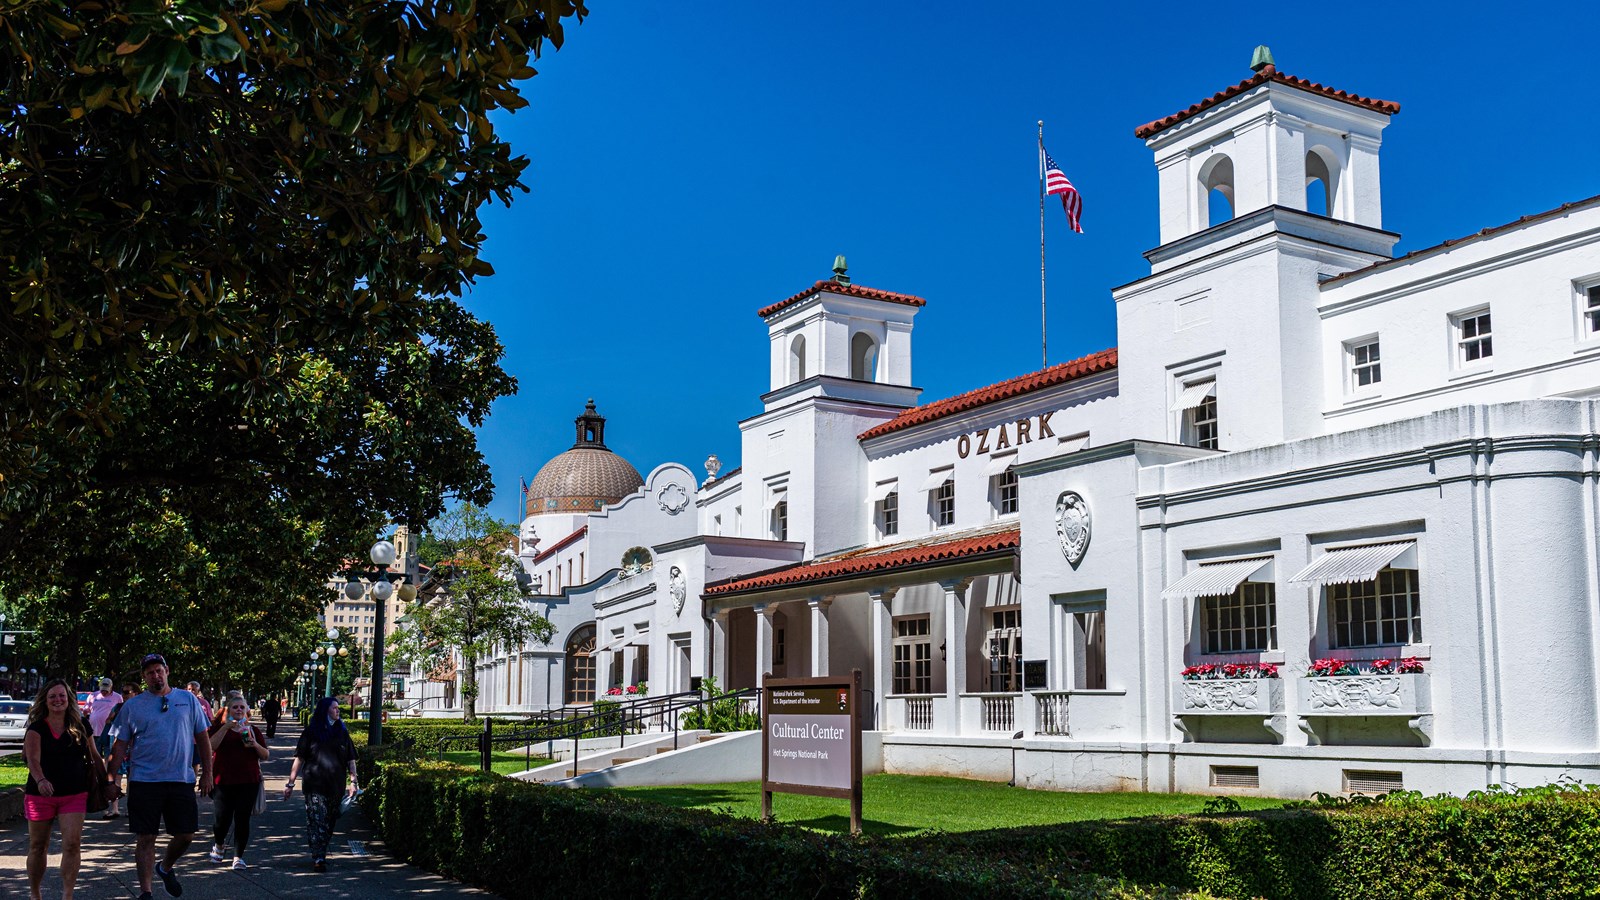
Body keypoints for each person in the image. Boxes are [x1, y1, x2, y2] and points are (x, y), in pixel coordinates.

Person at [106, 654, 213, 900]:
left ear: (167, 671)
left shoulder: (187, 700)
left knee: (186, 834)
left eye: (159, 670)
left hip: (180, 779)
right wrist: (110, 780)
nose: (155, 675)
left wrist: (207, 773)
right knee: (146, 836)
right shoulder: (133, 706)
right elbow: (120, 745)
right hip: (144, 781)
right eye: (150, 672)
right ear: (144, 677)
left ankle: (164, 868)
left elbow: (203, 739)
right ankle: (146, 892)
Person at [23, 678, 113, 900]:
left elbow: (94, 755)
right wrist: (41, 780)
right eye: (52, 696)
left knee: (72, 844)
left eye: (62, 695)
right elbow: (32, 760)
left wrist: (107, 782)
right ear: (45, 699)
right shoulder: (36, 728)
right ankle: (35, 894)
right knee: (38, 846)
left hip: (74, 793)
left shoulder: (81, 724)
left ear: (69, 699)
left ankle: (67, 895)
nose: (57, 700)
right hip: (40, 794)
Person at [282, 697, 358, 872]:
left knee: (329, 821)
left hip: (336, 785)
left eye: (338, 708)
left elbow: (351, 760)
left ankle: (320, 850)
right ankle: (319, 857)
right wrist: (290, 783)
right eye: (335, 708)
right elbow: (299, 758)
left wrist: (353, 781)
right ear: (325, 710)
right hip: (314, 784)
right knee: (317, 821)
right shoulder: (311, 732)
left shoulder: (342, 732)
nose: (338, 711)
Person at [205, 695, 268, 870]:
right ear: (228, 710)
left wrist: (254, 744)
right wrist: (225, 728)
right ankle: (218, 845)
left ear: (247, 710)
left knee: (242, 819)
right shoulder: (218, 728)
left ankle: (238, 857)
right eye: (235, 707)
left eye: (242, 707)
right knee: (221, 820)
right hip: (223, 781)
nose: (239, 710)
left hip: (248, 781)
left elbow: (265, 755)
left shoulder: (253, 729)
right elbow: (210, 747)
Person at [86, 678, 121, 818]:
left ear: (111, 687)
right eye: (102, 687)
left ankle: (112, 806)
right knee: (94, 763)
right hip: (93, 734)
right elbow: (86, 711)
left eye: (107, 688)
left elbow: (120, 712)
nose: (104, 690)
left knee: (108, 765)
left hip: (109, 734)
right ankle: (101, 802)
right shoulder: (93, 696)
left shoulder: (117, 697)